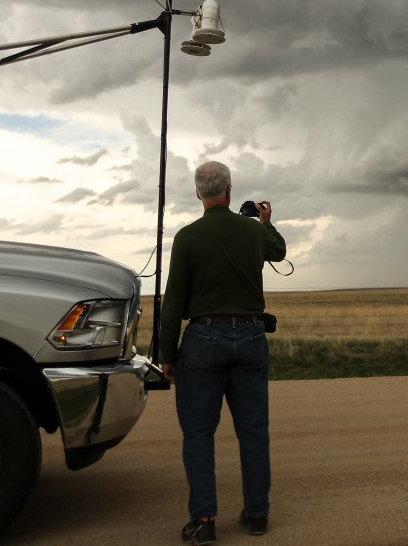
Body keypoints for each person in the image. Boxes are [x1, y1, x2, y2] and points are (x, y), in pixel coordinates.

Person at [159, 160, 287, 545]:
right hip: (250, 337)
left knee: (198, 432)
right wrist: (265, 222)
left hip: (203, 340)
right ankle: (257, 514)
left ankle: (204, 520)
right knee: (253, 431)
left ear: (199, 193)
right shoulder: (252, 231)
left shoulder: (187, 237)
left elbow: (174, 302)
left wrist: (167, 354)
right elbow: (278, 252)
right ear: (229, 192)